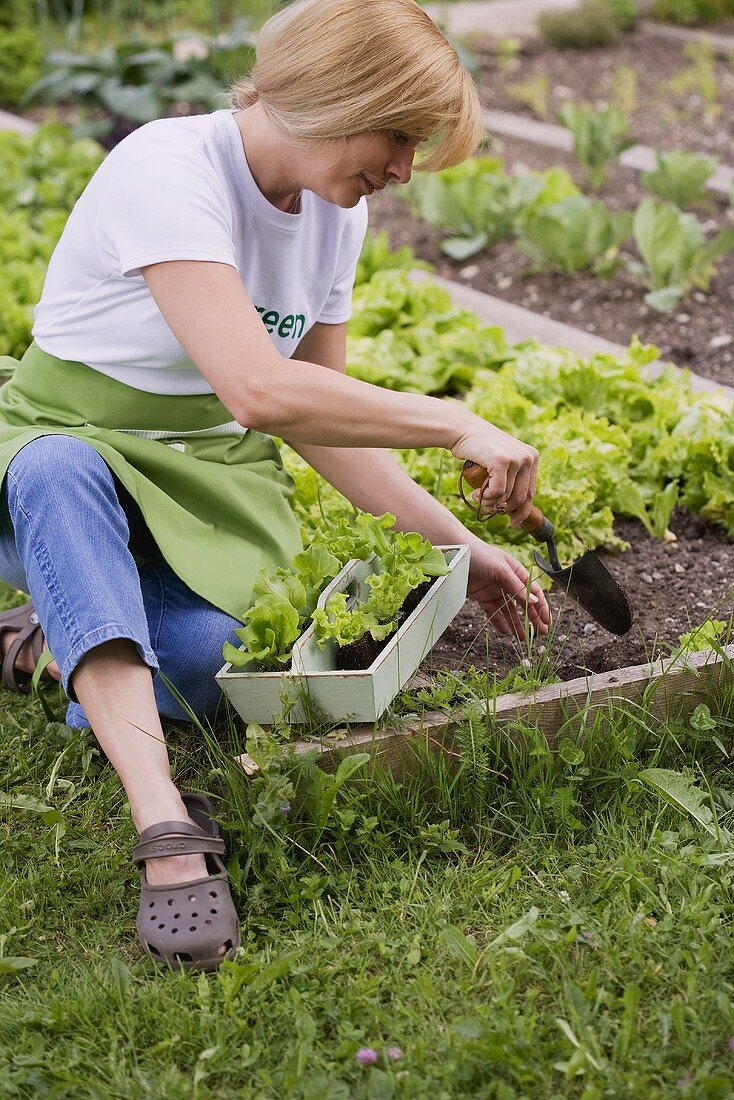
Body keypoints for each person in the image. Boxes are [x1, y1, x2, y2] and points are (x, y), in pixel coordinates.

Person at [0, 0, 550, 971]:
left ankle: (54, 632)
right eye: (399, 136)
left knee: (224, 670)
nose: (402, 168)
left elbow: (317, 420)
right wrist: (452, 419)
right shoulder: (167, 167)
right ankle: (165, 821)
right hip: (68, 443)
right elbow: (258, 389)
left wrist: (457, 547)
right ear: (340, 93)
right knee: (57, 470)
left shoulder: (337, 216)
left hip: (207, 477)